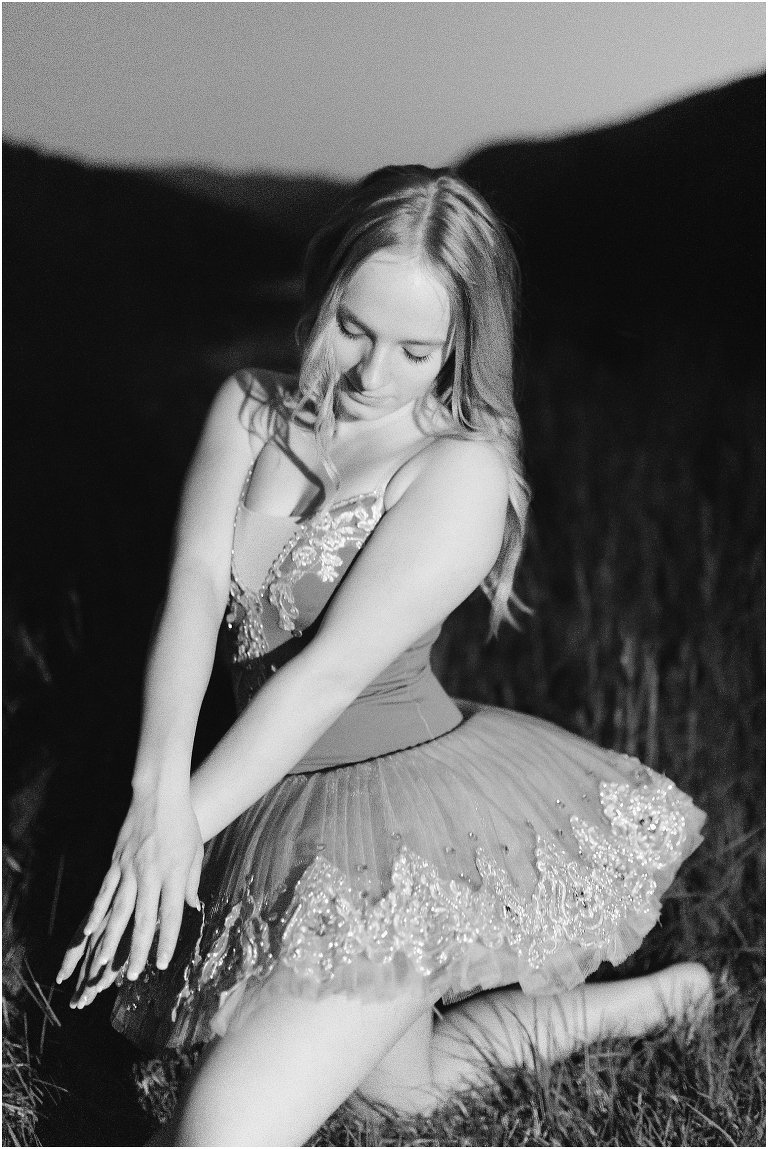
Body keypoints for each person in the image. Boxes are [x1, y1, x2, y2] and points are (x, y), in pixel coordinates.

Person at [56, 165, 711, 1146]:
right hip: (264, 798)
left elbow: (323, 678)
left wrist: (177, 830)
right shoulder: (248, 408)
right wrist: (155, 801)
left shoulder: (459, 472)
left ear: (459, 346)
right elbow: (194, 584)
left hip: (403, 820)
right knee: (402, 1095)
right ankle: (647, 1004)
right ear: (318, 288)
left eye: (416, 348)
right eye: (353, 328)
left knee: (218, 1131)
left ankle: (641, 999)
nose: (371, 374)